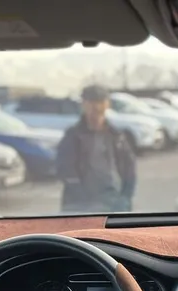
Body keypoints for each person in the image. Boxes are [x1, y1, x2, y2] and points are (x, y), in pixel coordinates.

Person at [57, 85, 136, 213]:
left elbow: (129, 168)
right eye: (92, 102)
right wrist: (80, 197)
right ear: (83, 105)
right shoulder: (73, 135)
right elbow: (64, 168)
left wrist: (125, 197)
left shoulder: (117, 135)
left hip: (113, 202)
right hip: (80, 205)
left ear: (107, 104)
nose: (97, 107)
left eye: (101, 102)